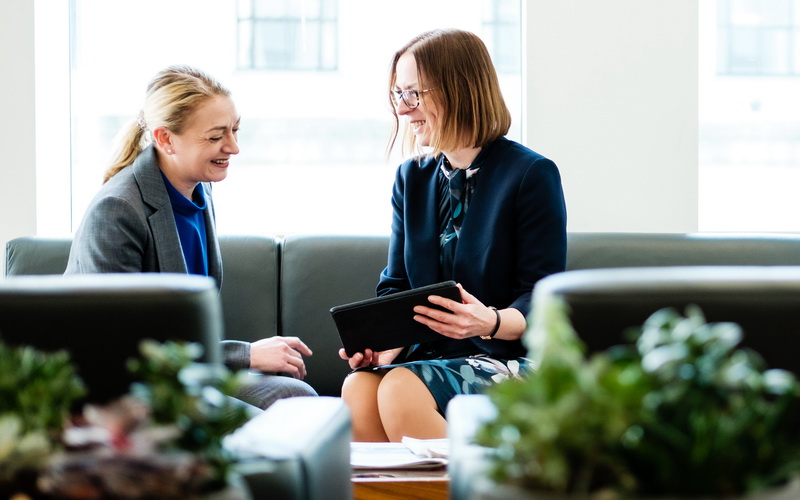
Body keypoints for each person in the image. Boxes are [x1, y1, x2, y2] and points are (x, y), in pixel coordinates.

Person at [339, 29, 568, 442]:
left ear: (458, 90)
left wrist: (491, 321)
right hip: (430, 357)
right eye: (398, 95)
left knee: (401, 388)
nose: (404, 110)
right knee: (358, 387)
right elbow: (397, 285)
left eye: (414, 94)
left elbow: (542, 296)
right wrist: (382, 343)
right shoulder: (412, 178)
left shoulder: (531, 175)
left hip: (508, 357)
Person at [65, 65, 318, 409]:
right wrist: (244, 355)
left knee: (299, 399)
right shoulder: (117, 210)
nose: (233, 147)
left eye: (235, 130)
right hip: (137, 391)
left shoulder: (199, 189)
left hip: (186, 377)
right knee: (275, 419)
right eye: (216, 137)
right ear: (165, 139)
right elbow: (122, 343)